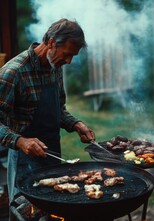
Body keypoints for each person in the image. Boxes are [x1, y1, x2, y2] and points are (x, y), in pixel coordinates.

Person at [0, 18, 95, 202]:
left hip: (53, 155)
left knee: (54, 210)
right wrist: (20, 142)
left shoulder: (55, 66)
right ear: (51, 43)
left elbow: (58, 109)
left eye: (73, 56)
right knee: (27, 214)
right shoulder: (13, 72)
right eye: (67, 54)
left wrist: (76, 124)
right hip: (23, 161)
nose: (68, 61)